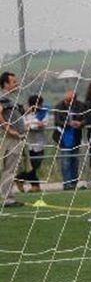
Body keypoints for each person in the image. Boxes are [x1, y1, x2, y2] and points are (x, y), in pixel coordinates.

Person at [0, 72, 26, 208]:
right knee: (9, 169)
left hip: (15, 138)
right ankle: (8, 199)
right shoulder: (3, 97)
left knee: (11, 169)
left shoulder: (10, 98)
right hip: (10, 139)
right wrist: (9, 130)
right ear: (5, 84)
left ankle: (8, 197)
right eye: (14, 82)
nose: (16, 84)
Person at [52, 90, 84, 190]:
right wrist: (69, 124)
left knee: (75, 160)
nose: (69, 103)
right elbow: (57, 121)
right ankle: (67, 183)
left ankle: (74, 183)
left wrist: (80, 123)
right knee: (65, 161)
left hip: (76, 137)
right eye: (67, 100)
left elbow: (87, 118)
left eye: (71, 101)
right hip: (63, 137)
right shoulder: (59, 106)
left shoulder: (80, 106)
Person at [15, 95, 48, 192]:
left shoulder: (43, 113)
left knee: (35, 165)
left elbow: (44, 124)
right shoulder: (25, 114)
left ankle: (20, 179)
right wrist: (34, 124)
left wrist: (32, 125)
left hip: (39, 144)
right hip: (28, 145)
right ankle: (35, 186)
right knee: (31, 166)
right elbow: (23, 126)